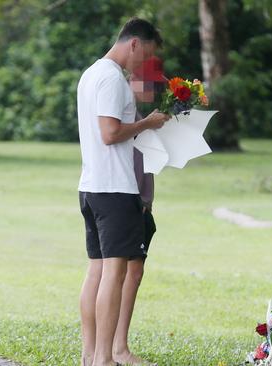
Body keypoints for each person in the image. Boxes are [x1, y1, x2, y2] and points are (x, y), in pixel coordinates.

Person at [76, 17, 170, 366]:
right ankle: (104, 359)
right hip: (114, 190)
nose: (144, 63)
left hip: (90, 187)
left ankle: (89, 355)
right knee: (113, 276)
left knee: (96, 273)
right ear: (133, 43)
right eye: (144, 54)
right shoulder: (112, 78)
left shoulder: (90, 74)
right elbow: (110, 133)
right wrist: (148, 123)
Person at [111, 56, 167, 366]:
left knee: (134, 272)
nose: (151, 89)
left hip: (142, 204)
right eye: (147, 83)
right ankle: (117, 348)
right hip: (127, 201)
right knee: (120, 274)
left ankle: (118, 345)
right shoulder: (129, 118)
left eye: (154, 84)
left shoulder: (145, 117)